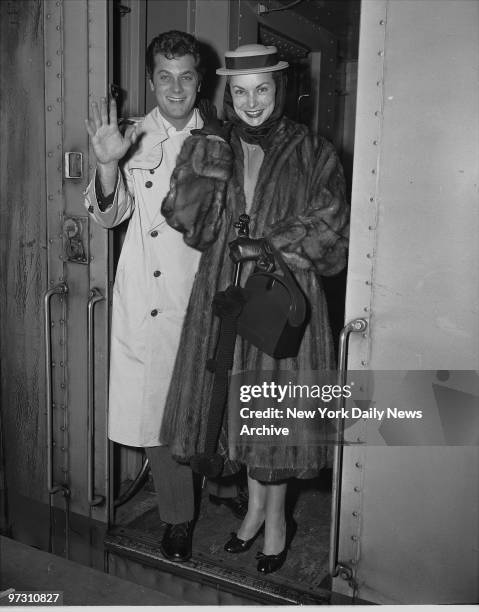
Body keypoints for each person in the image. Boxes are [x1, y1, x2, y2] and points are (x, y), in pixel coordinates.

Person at [160, 44, 350, 574]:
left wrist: (269, 246)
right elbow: (190, 225)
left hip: (283, 296)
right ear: (227, 94)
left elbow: (333, 230)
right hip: (225, 295)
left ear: (280, 90)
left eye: (262, 89)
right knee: (236, 408)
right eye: (240, 92)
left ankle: (275, 522)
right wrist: (206, 162)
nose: (251, 103)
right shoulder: (213, 144)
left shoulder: (314, 151)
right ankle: (252, 515)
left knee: (274, 416)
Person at [83, 30, 246, 563]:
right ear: (151, 80)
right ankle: (178, 519)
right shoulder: (128, 138)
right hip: (149, 300)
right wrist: (108, 165)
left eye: (186, 76)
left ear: (199, 81)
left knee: (216, 406)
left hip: (206, 294)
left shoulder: (226, 138)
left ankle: (228, 488)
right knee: (158, 411)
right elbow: (108, 214)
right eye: (164, 76)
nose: (175, 88)